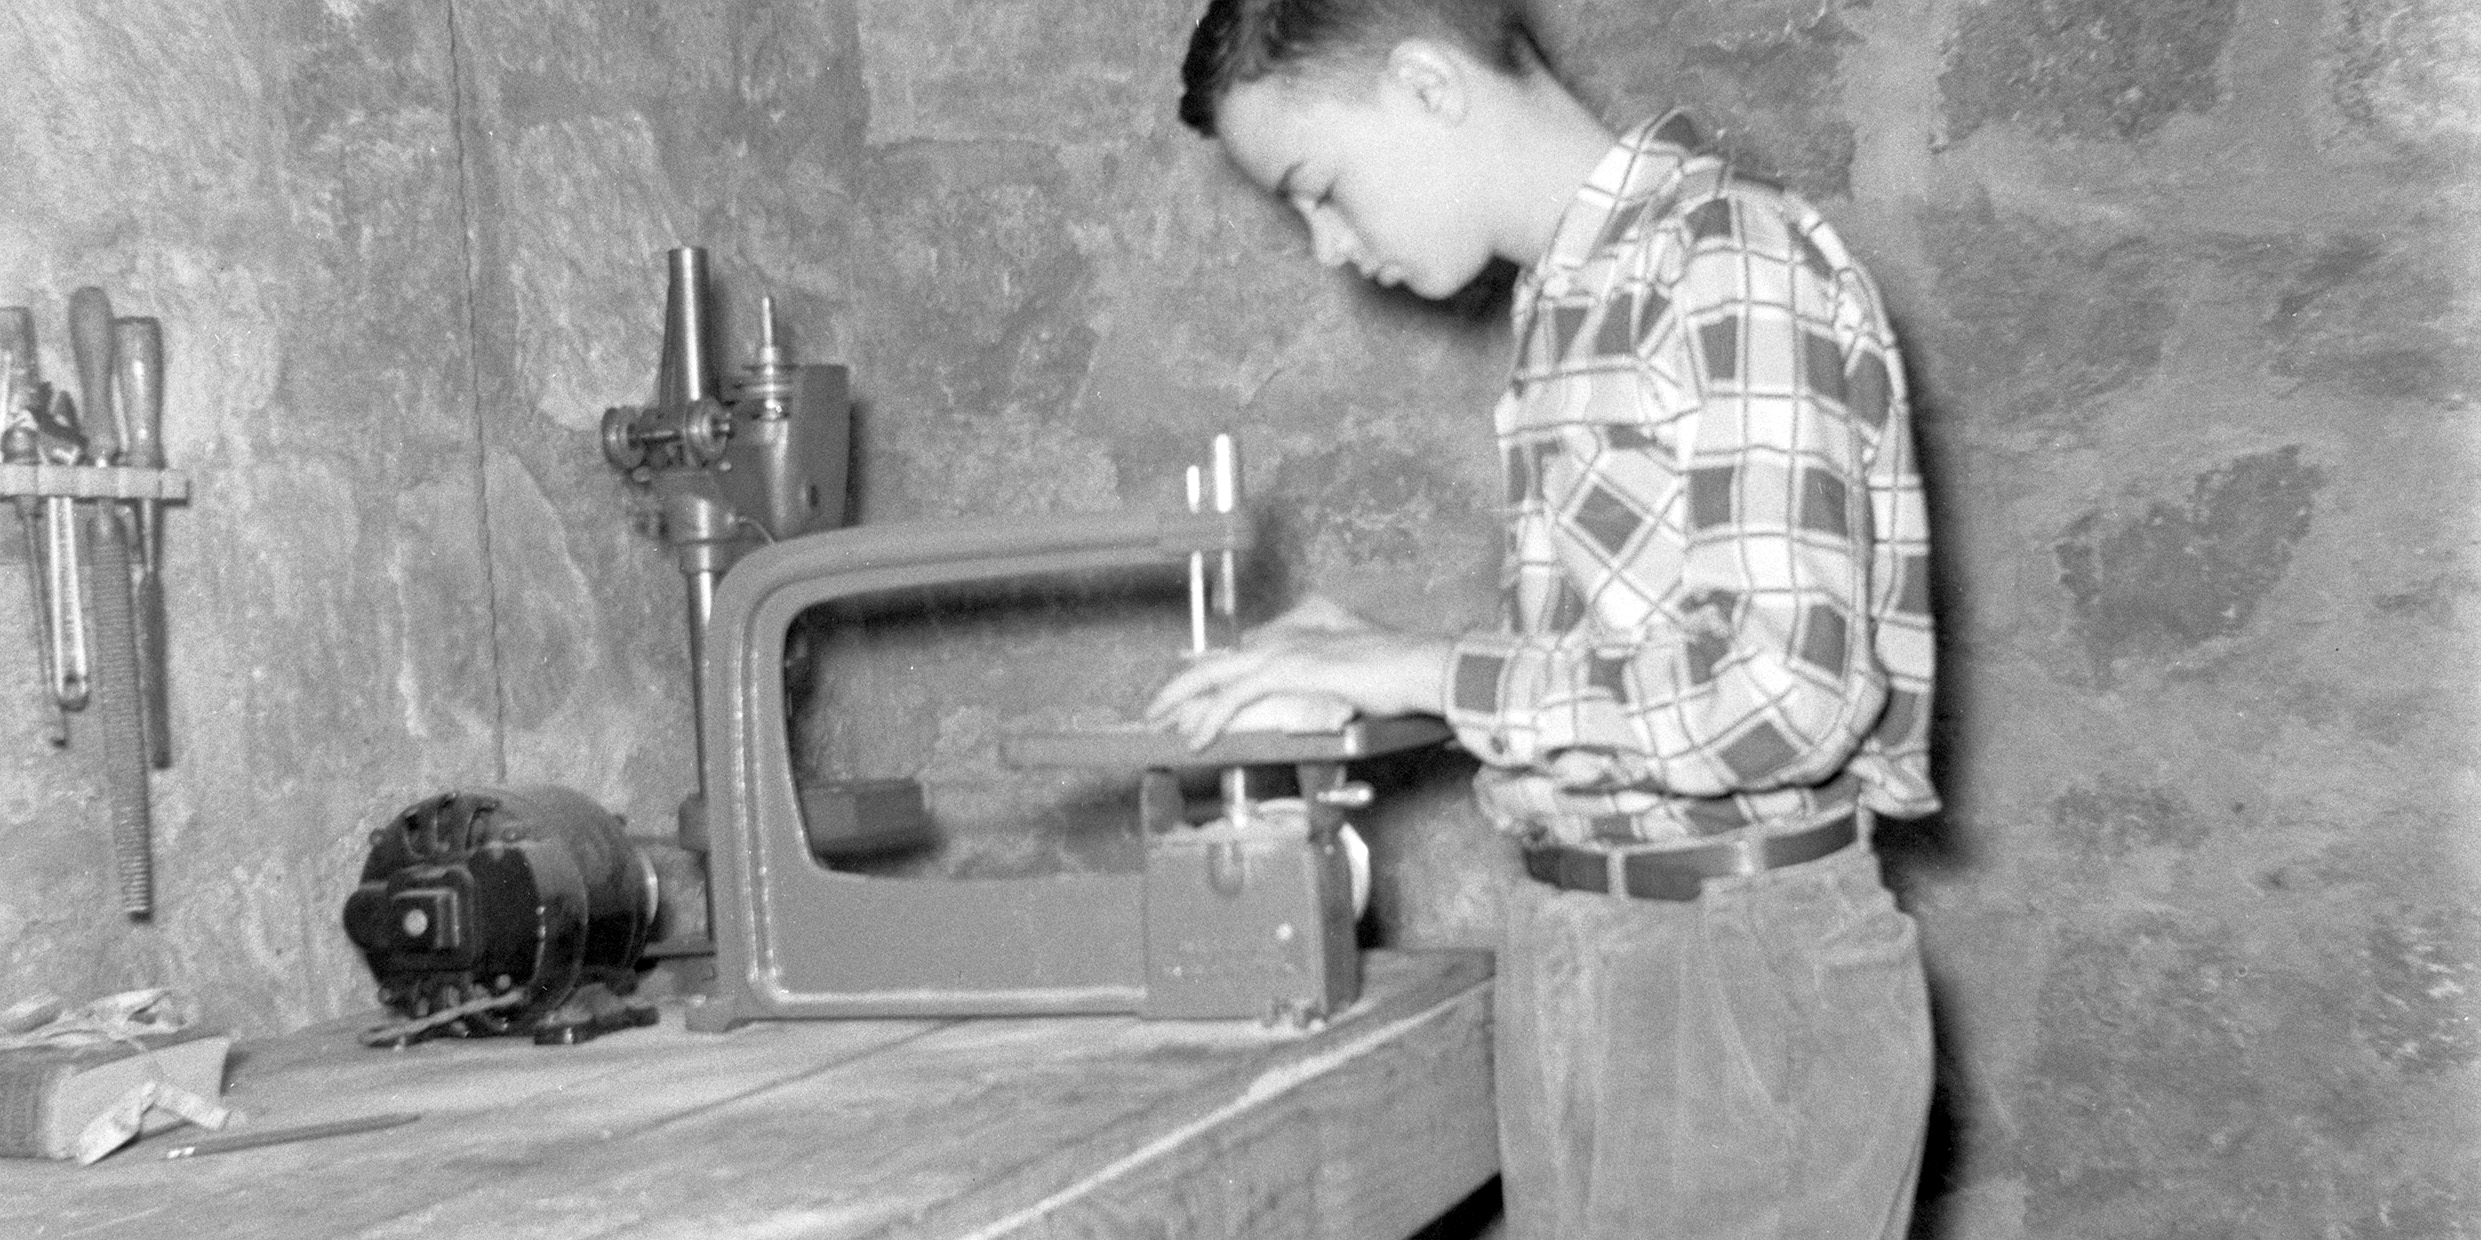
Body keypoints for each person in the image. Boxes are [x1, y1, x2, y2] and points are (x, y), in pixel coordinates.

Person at [1147, 1, 1941, 1236]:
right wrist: (1369, 658)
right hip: (1593, 946)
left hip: (1733, 972)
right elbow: (1637, 660)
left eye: (1322, 187)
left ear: (1426, 84)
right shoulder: (1572, 299)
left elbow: (1783, 693)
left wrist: (1420, 667)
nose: (1326, 245)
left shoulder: (1722, 257)